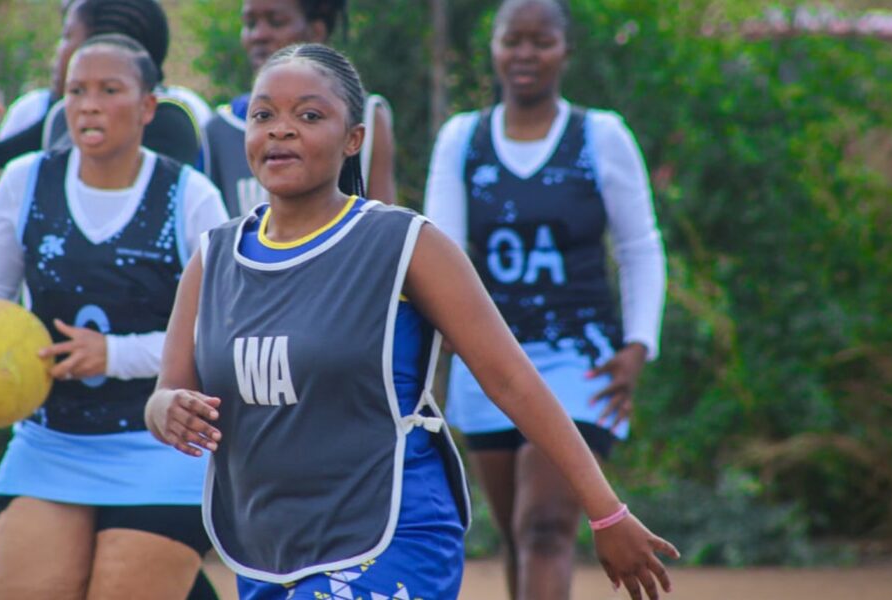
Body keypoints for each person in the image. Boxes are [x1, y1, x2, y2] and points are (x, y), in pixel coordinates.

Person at [145, 42, 677, 600]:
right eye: (263, 115)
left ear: (353, 139)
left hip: (388, 534)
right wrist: (167, 411)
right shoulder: (214, 258)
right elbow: (165, 394)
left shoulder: (403, 244)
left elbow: (512, 379)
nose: (280, 129)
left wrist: (606, 511)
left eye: (309, 115)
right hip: (270, 547)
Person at [0, 34, 228, 600]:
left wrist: (114, 355)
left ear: (147, 106)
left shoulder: (190, 197)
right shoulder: (24, 180)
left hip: (162, 445)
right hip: (50, 442)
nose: (89, 105)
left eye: (109, 90)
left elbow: (217, 334)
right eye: (76, 91)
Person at [423, 1, 668, 598]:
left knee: (546, 525)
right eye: (513, 40)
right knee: (516, 534)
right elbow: (440, 251)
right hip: (490, 359)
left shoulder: (599, 135)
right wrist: (443, 338)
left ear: (566, 50)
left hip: (580, 360)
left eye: (542, 41)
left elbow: (639, 246)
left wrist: (639, 345)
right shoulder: (463, 138)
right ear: (493, 48)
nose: (526, 54)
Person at [0, 0, 211, 204]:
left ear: (101, 49)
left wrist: (27, 189)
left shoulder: (173, 117)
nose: (56, 51)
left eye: (66, 36)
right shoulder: (59, 116)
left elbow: (137, 197)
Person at [203, 0, 397, 216]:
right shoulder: (220, 127)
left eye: (276, 22)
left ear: (316, 31)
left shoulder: (366, 114)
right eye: (250, 23)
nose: (259, 35)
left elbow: (386, 224)